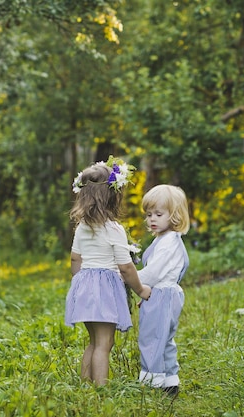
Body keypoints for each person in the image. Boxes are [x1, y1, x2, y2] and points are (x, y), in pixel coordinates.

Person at [65, 158, 152, 386]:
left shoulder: (81, 227)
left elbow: (75, 258)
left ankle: (85, 386)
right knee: (105, 344)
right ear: (113, 197)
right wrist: (141, 289)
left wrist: (79, 284)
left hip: (84, 287)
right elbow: (125, 267)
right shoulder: (114, 229)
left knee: (93, 342)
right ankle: (101, 389)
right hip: (104, 291)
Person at [136, 184, 190, 397]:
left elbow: (152, 273)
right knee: (165, 337)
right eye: (149, 215)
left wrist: (131, 279)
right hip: (164, 294)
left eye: (159, 214)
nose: (152, 219)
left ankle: (153, 381)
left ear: (175, 215)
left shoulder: (168, 242)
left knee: (152, 337)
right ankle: (170, 380)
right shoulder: (164, 239)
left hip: (163, 294)